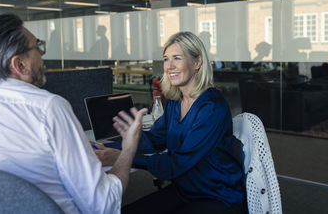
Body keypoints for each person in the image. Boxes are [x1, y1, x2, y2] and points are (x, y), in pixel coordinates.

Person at [0, 13, 147, 214]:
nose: (42, 54)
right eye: (37, 47)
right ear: (20, 65)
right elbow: (102, 205)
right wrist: (128, 150)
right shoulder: (47, 108)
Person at [97, 31, 246, 214]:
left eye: (177, 58)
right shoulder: (175, 101)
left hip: (217, 196)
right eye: (166, 59)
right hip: (185, 190)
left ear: (197, 62)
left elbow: (177, 163)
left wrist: (123, 157)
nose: (170, 66)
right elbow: (154, 139)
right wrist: (108, 145)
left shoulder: (212, 108)